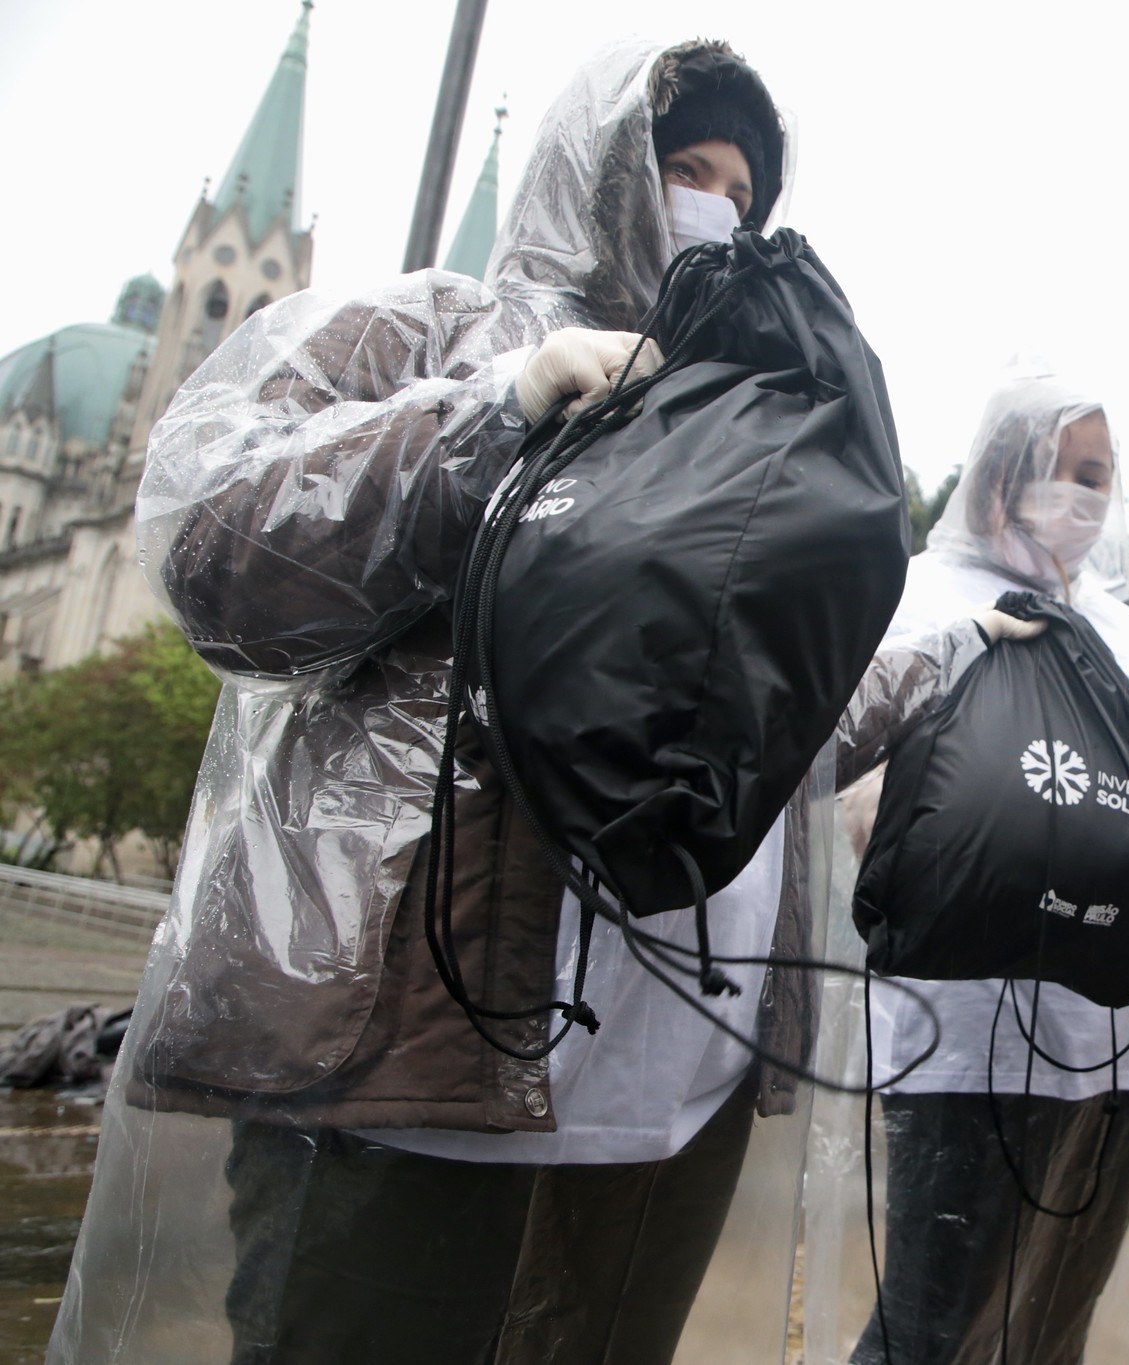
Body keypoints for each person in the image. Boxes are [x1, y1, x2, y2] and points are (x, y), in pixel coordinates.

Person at [50, 40, 897, 1365]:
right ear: (601, 163)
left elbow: (764, 718)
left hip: (675, 1094)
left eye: (742, 189)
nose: (717, 210)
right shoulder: (423, 334)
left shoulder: (753, 415)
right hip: (416, 1071)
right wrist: (489, 417)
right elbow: (217, 556)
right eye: (687, 168)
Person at [847, 371, 1129, 1365]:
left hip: (1112, 1037)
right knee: (930, 1323)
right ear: (1003, 475)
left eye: (1103, 476)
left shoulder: (1126, 637)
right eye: (1068, 472)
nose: (1088, 497)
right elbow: (858, 800)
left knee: (1049, 1321)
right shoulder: (920, 601)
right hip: (962, 1042)